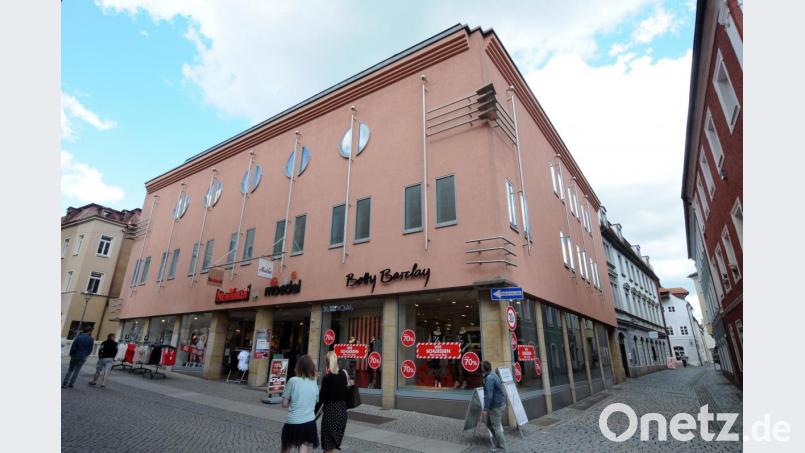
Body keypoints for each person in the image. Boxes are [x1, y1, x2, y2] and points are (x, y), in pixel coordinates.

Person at [281, 354, 319, 453]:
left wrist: (294, 403)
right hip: (309, 422)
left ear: (298, 367)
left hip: (293, 421)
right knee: (304, 446)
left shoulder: (293, 381)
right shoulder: (314, 383)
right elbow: (315, 401)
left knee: (288, 446)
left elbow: (284, 404)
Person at [317, 351, 348, 453]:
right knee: (332, 446)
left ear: (327, 362)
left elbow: (321, 399)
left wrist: (313, 414)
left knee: (328, 446)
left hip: (331, 413)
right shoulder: (343, 374)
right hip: (342, 413)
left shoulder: (327, 378)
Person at [481, 361, 508, 452]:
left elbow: (489, 395)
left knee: (496, 427)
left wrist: (485, 409)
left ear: (484, 369)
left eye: (481, 367)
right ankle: (498, 444)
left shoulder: (489, 378)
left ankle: (503, 448)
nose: (481, 369)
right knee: (488, 423)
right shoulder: (493, 374)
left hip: (495, 406)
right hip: (497, 404)